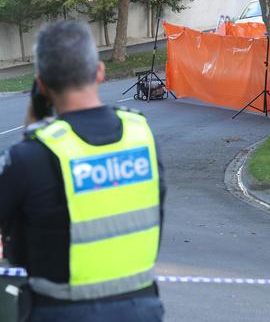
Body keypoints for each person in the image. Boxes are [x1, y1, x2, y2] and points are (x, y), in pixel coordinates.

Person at [0, 21, 165, 321]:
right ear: (99, 72)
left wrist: (34, 124)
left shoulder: (29, 156)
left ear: (42, 85)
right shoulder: (141, 136)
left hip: (59, 312)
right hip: (142, 310)